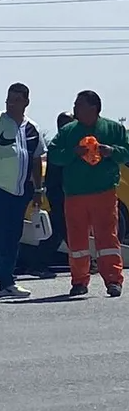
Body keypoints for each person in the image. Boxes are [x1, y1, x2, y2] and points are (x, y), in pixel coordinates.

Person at [47, 90, 129, 297]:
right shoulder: (68, 131)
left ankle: (113, 280)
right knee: (77, 240)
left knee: (107, 238)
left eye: (79, 105)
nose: (75, 108)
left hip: (104, 192)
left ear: (93, 108)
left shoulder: (113, 129)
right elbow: (54, 154)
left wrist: (111, 151)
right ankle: (79, 281)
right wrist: (72, 153)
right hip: (75, 194)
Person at [0, 83, 46, 299]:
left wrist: (38, 189)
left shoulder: (32, 128)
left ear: (26, 102)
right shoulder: (1, 122)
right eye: (9, 98)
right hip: (1, 189)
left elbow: (36, 159)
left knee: (12, 236)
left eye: (17, 99)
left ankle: (7, 282)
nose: (11, 103)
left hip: (21, 192)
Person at [22, 112, 76, 279]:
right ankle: (84, 261)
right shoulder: (59, 145)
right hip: (58, 193)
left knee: (56, 231)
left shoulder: (67, 143)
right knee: (65, 229)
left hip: (65, 193)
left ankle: (38, 265)